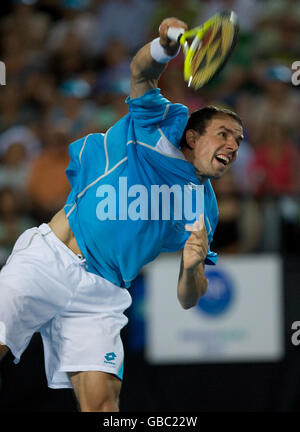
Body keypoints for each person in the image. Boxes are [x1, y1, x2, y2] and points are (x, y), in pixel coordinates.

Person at [0, 17, 243, 412]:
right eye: (224, 133)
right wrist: (165, 45)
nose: (232, 145)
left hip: (102, 294)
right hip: (49, 260)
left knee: (103, 406)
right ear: (194, 135)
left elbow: (189, 298)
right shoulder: (158, 125)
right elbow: (141, 72)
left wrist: (192, 268)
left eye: (238, 140)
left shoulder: (204, 207)